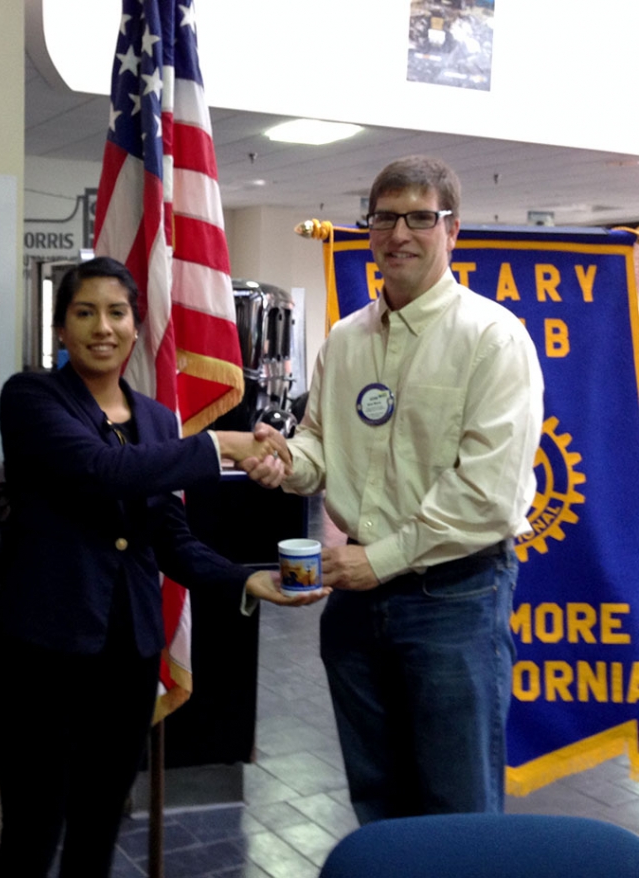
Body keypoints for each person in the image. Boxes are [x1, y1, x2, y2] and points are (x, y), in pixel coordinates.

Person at [0, 256, 328, 878]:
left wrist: (242, 579)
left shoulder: (152, 418)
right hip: (44, 656)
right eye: (83, 312)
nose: (102, 327)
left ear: (137, 327)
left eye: (117, 313)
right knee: (32, 832)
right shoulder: (32, 397)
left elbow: (168, 536)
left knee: (98, 826)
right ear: (61, 327)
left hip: (128, 657)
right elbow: (101, 472)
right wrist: (218, 443)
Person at [248, 155, 544, 824]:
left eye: (420, 217)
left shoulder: (493, 339)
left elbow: (487, 495)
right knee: (377, 799)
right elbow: (321, 443)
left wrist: (376, 560)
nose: (399, 234)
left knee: (456, 807)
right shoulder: (347, 339)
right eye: (384, 217)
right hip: (357, 605)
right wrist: (285, 462)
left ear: (453, 231)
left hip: (454, 597)